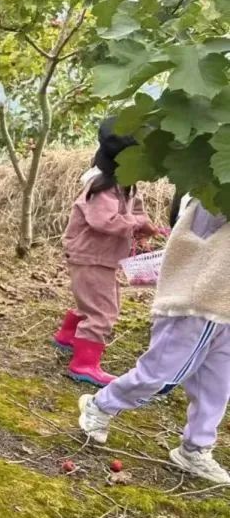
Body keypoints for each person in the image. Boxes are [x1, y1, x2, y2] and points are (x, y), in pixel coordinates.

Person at [78, 200, 230, 485]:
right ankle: (100, 405)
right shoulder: (213, 195)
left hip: (223, 311)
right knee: (160, 377)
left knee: (216, 387)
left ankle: (195, 448)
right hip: (194, 306)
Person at [54, 118, 156, 385]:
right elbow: (104, 221)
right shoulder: (102, 188)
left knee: (94, 301)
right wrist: (136, 224)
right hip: (91, 257)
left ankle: (68, 337)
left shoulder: (125, 185)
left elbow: (136, 208)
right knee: (102, 311)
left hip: (101, 258)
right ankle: (84, 364)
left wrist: (142, 224)